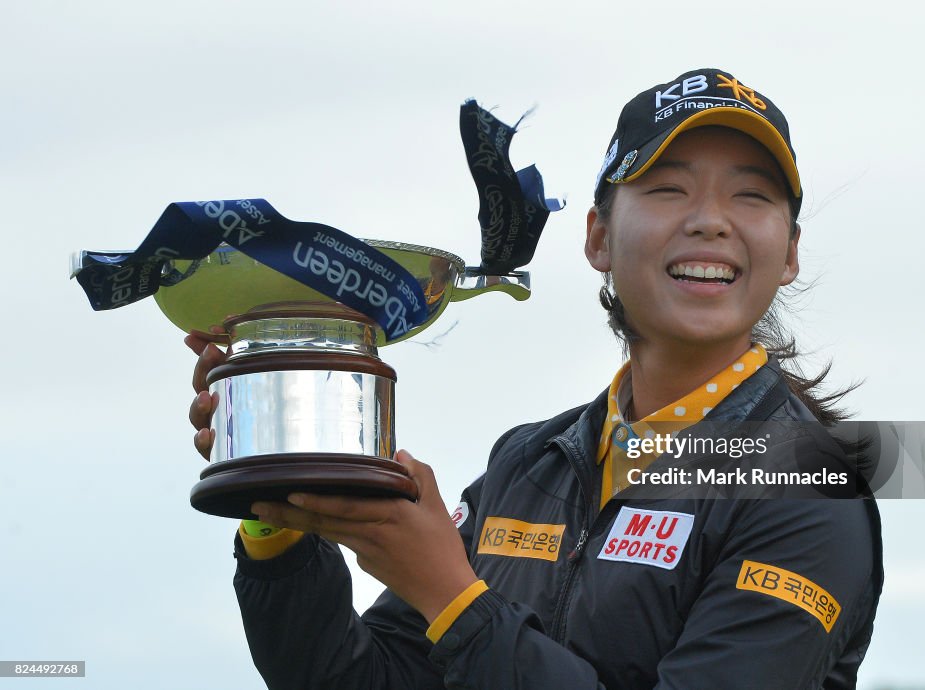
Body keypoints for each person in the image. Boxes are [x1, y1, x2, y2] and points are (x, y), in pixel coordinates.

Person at [186, 67, 883, 689]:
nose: (710, 221)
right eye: (669, 189)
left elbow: (457, 609)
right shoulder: (527, 463)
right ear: (598, 238)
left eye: (752, 197)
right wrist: (274, 502)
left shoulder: (809, 495)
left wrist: (454, 597)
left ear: (789, 252)